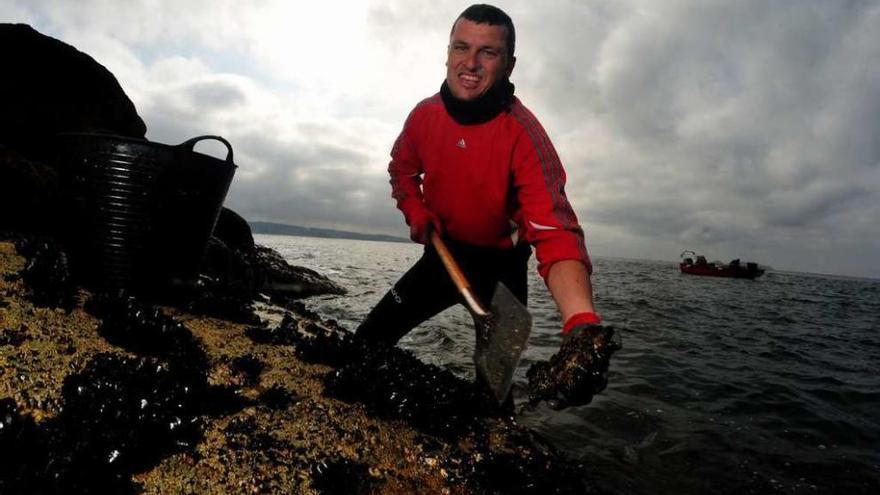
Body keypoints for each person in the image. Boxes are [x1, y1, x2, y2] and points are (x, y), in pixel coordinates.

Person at [356, 4, 607, 407]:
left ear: (509, 64)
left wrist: (581, 324)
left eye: (487, 52)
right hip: (443, 258)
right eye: (461, 48)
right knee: (366, 343)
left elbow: (555, 232)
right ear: (448, 52)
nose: (470, 63)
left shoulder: (524, 136)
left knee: (493, 397)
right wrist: (416, 212)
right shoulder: (424, 117)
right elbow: (402, 172)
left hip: (501, 274)